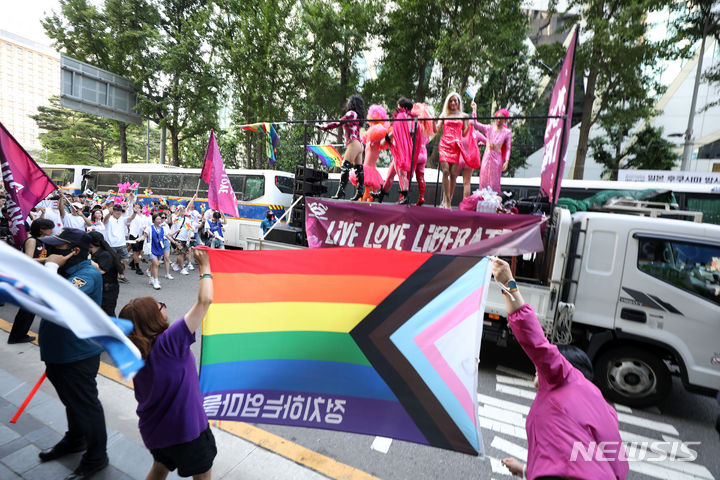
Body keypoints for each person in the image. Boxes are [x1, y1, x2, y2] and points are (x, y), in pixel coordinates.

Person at [492, 258, 628, 480]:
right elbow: (599, 464)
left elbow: (532, 336)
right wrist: (527, 471)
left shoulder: (563, 378)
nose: (539, 366)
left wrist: (507, 282)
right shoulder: (599, 403)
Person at [119, 248, 216, 480]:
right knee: (202, 475)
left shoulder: (133, 351)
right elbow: (205, 301)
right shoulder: (170, 341)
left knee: (160, 467)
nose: (164, 307)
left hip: (155, 430)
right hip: (187, 430)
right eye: (159, 306)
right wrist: (206, 267)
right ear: (153, 319)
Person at [37, 228, 109, 480]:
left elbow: (58, 299)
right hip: (58, 351)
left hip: (77, 355)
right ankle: (75, 440)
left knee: (86, 407)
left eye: (56, 249)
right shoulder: (66, 270)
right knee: (73, 403)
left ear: (73, 251)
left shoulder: (87, 274)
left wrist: (49, 268)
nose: (49, 252)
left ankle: (97, 457)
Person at [8, 218, 54, 343]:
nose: (52, 230)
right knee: (27, 309)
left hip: (37, 277)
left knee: (30, 309)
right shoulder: (32, 240)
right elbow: (28, 260)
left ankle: (19, 334)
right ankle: (17, 336)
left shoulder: (43, 241)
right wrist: (48, 259)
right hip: (30, 278)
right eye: (50, 228)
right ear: (42, 230)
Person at [318, 94, 366, 200]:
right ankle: (359, 192)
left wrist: (325, 127)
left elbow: (339, 122)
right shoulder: (358, 115)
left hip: (353, 143)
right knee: (359, 170)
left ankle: (341, 192)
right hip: (359, 144)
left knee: (345, 166)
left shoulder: (351, 113)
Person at [435, 92, 469, 209]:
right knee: (445, 171)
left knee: (454, 175)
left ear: (459, 102)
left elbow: (465, 133)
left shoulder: (464, 116)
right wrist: (429, 120)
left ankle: (447, 199)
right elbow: (436, 129)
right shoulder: (444, 115)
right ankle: (447, 201)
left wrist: (469, 123)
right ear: (448, 102)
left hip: (456, 146)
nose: (453, 102)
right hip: (444, 144)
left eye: (455, 100)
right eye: (451, 100)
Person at [471, 101, 512, 195]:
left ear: (505, 120)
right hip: (487, 156)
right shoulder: (489, 128)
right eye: (498, 117)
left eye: (501, 118)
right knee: (483, 180)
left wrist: (507, 161)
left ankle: (494, 204)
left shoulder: (507, 132)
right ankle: (482, 201)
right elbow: (476, 124)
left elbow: (508, 148)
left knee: (494, 182)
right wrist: (474, 110)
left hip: (497, 158)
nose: (499, 120)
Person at [350, 104, 388, 202]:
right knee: (370, 189)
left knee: (368, 189)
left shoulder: (377, 137)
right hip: (368, 167)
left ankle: (363, 204)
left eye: (375, 120)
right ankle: (367, 204)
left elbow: (381, 139)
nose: (372, 123)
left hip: (369, 168)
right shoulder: (371, 136)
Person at [88, 231, 123, 316]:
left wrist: (89, 260)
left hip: (108, 289)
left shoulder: (105, 254)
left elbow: (101, 270)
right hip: (100, 287)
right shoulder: (94, 252)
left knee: (107, 313)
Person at [103, 196, 137, 283]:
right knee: (111, 262)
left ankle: (122, 276)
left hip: (121, 244)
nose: (118, 212)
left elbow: (130, 218)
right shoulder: (109, 219)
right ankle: (109, 277)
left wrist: (135, 213)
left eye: (119, 211)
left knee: (125, 260)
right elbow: (104, 221)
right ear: (113, 211)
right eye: (116, 210)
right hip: (111, 244)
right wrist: (109, 213)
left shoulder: (123, 219)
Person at [142, 213, 168, 290]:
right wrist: (140, 239)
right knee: (156, 264)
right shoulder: (149, 228)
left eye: (160, 219)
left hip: (159, 248)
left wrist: (175, 242)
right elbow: (144, 235)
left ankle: (152, 278)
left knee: (154, 265)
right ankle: (156, 281)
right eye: (157, 219)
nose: (159, 221)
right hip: (151, 249)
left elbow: (167, 236)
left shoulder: (162, 228)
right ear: (153, 220)